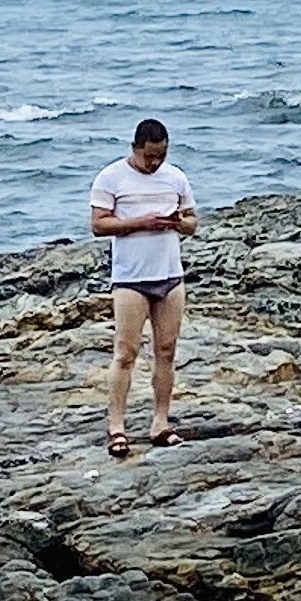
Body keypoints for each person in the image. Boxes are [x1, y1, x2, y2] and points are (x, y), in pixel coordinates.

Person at [89, 119, 198, 454]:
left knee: (166, 350)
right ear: (135, 148)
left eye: (161, 156)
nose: (155, 163)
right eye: (150, 156)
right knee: (125, 352)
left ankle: (160, 422)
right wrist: (141, 223)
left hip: (169, 274)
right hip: (130, 278)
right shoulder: (111, 178)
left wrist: (178, 223)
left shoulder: (176, 177)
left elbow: (193, 223)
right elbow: (98, 224)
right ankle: (116, 427)